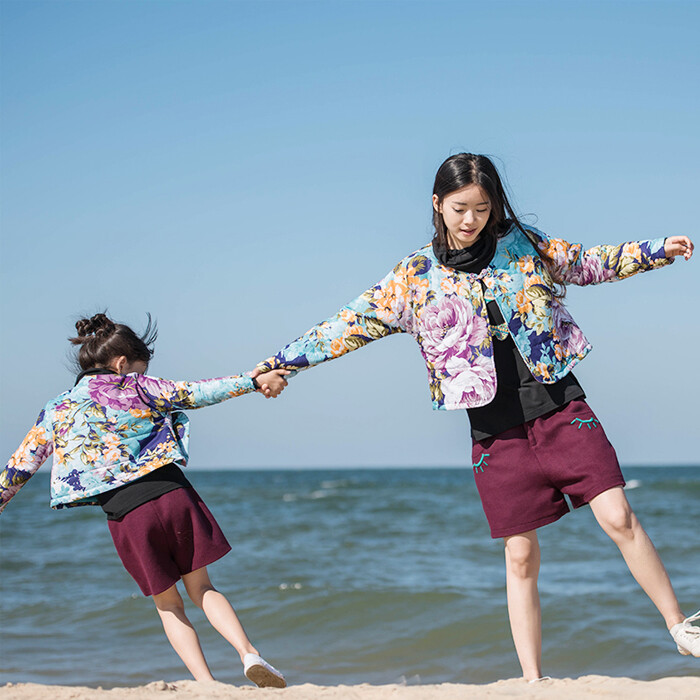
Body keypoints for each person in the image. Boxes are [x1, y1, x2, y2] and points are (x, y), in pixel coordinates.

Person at [254, 153, 699, 680]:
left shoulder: (521, 243)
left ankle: (680, 628)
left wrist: (655, 251)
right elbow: (348, 324)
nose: (471, 220)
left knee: (618, 516)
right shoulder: (413, 278)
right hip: (493, 427)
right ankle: (534, 680)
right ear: (438, 204)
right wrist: (282, 363)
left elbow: (583, 261)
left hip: (559, 403)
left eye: (483, 209)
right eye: (461, 208)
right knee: (519, 554)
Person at [0, 313, 289, 688]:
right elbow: (200, 391)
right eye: (139, 366)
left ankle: (206, 683)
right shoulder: (139, 386)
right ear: (122, 364)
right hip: (174, 495)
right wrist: (253, 380)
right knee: (203, 588)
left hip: (128, 515)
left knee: (169, 605)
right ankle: (248, 652)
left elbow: (20, 466)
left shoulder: (57, 409)